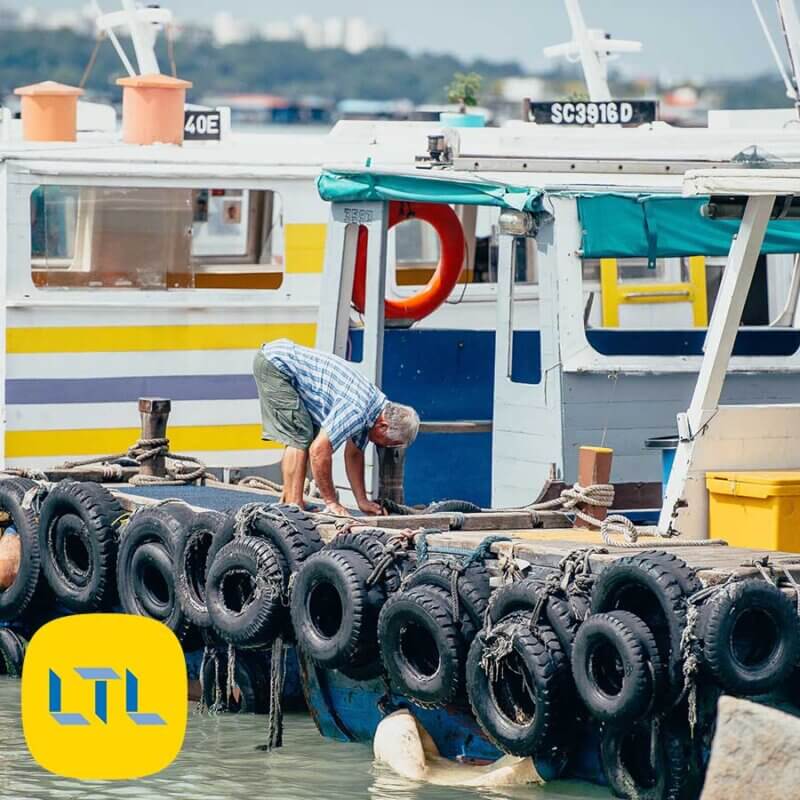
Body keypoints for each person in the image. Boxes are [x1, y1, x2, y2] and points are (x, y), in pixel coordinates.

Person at [253, 339, 420, 516]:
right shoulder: (358, 409)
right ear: (383, 426)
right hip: (276, 364)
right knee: (300, 434)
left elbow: (354, 454)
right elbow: (318, 452)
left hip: (283, 361)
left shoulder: (374, 413)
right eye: (387, 442)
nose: (382, 446)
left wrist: (362, 501)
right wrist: (332, 502)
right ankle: (293, 504)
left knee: (306, 433)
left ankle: (293, 500)